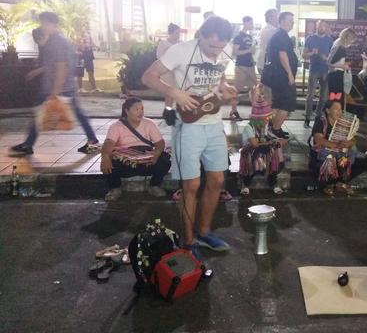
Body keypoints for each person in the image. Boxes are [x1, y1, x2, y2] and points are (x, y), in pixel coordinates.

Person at [142, 16, 238, 257]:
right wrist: (175, 93)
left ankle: (204, 232)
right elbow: (148, 76)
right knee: (191, 185)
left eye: (220, 47)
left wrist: (225, 87)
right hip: (187, 127)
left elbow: (220, 76)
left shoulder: (225, 49)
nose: (216, 52)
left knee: (217, 180)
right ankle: (188, 241)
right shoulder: (180, 51)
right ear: (200, 35)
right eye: (211, 46)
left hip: (214, 124)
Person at [10, 14, 100, 157]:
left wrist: (54, 91)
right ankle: (93, 140)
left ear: (53, 24)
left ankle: (28, 144)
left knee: (41, 113)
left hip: (58, 87)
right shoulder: (55, 41)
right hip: (62, 86)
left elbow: (61, 67)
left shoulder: (57, 42)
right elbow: (53, 64)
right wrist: (38, 71)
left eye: (44, 23)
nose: (42, 26)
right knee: (75, 113)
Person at [100, 97, 170, 201]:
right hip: (126, 162)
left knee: (164, 160)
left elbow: (160, 143)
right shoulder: (116, 126)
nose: (140, 112)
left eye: (142, 109)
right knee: (109, 161)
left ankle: (154, 185)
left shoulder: (149, 123)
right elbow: (109, 142)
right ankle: (115, 188)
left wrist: (156, 154)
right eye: (136, 109)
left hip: (146, 161)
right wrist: (105, 156)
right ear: (127, 111)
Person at [239, 86, 285, 196]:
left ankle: (273, 183)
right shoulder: (249, 127)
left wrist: (278, 141)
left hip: (262, 151)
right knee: (255, 155)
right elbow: (254, 144)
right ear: (256, 119)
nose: (266, 121)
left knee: (273, 152)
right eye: (264, 119)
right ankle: (245, 184)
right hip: (250, 152)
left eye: (267, 118)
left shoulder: (265, 126)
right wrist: (271, 143)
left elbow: (270, 137)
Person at [310, 99, 357, 196]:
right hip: (324, 150)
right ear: (328, 110)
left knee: (351, 152)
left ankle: (341, 182)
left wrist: (348, 143)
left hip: (339, 149)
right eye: (336, 109)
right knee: (330, 155)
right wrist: (336, 145)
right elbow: (319, 140)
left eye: (340, 109)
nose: (339, 112)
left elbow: (353, 140)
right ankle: (328, 183)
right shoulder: (321, 121)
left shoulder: (343, 123)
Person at [265, 11, 298, 139]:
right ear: (282, 21)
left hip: (278, 76)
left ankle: (273, 127)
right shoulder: (281, 35)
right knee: (286, 103)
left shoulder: (280, 35)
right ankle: (275, 129)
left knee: (278, 103)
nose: (293, 23)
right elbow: (282, 55)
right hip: (282, 76)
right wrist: (290, 74)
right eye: (290, 21)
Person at [303, 20, 333, 128]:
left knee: (324, 96)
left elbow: (333, 56)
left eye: (324, 26)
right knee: (310, 95)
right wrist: (312, 53)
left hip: (326, 70)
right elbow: (303, 55)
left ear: (326, 27)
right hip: (314, 69)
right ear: (316, 26)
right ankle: (307, 118)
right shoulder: (310, 38)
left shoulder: (329, 40)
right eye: (320, 26)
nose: (322, 28)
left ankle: (318, 117)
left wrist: (327, 58)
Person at [230, 16, 257, 121]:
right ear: (245, 23)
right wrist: (249, 50)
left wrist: (251, 51)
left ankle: (255, 111)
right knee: (236, 89)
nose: (252, 25)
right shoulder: (238, 37)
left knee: (254, 88)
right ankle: (233, 111)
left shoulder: (250, 36)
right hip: (241, 66)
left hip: (250, 65)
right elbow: (235, 52)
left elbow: (250, 51)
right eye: (250, 23)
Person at [327, 28, 356, 110]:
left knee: (335, 98)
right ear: (348, 37)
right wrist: (343, 66)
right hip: (335, 76)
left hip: (335, 75)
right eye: (352, 39)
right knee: (336, 100)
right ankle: (332, 114)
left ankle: (333, 114)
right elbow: (329, 62)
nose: (352, 42)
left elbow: (334, 61)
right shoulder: (340, 47)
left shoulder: (338, 44)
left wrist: (344, 64)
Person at [157, 23, 181, 108]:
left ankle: (179, 111)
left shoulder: (180, 43)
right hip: (167, 72)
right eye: (177, 33)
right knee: (169, 93)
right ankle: (168, 111)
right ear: (171, 33)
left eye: (179, 33)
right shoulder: (163, 43)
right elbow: (159, 56)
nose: (178, 35)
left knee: (179, 92)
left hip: (178, 72)